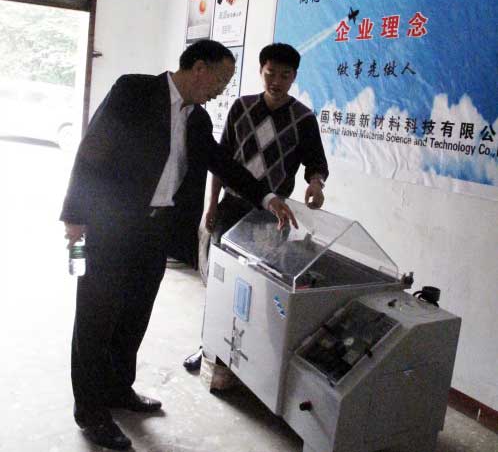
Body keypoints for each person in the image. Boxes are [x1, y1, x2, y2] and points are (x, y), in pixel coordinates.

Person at [61, 39, 297, 451]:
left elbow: (222, 163)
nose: (221, 90)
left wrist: (266, 197)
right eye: (220, 79)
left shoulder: (197, 119)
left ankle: (118, 388)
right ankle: (91, 410)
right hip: (112, 225)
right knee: (96, 318)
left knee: (134, 315)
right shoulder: (135, 91)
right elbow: (93, 149)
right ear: (199, 68)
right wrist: (75, 214)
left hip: (156, 231)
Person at [183, 42, 329, 372]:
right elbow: (220, 160)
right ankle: (210, 348)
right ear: (261, 71)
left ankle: (252, 358)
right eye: (270, 73)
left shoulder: (303, 119)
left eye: (285, 76)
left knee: (262, 287)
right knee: (220, 281)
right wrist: (211, 205)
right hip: (232, 209)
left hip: (272, 217)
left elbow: (316, 164)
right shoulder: (241, 108)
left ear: (294, 77)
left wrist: (316, 185)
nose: (276, 81)